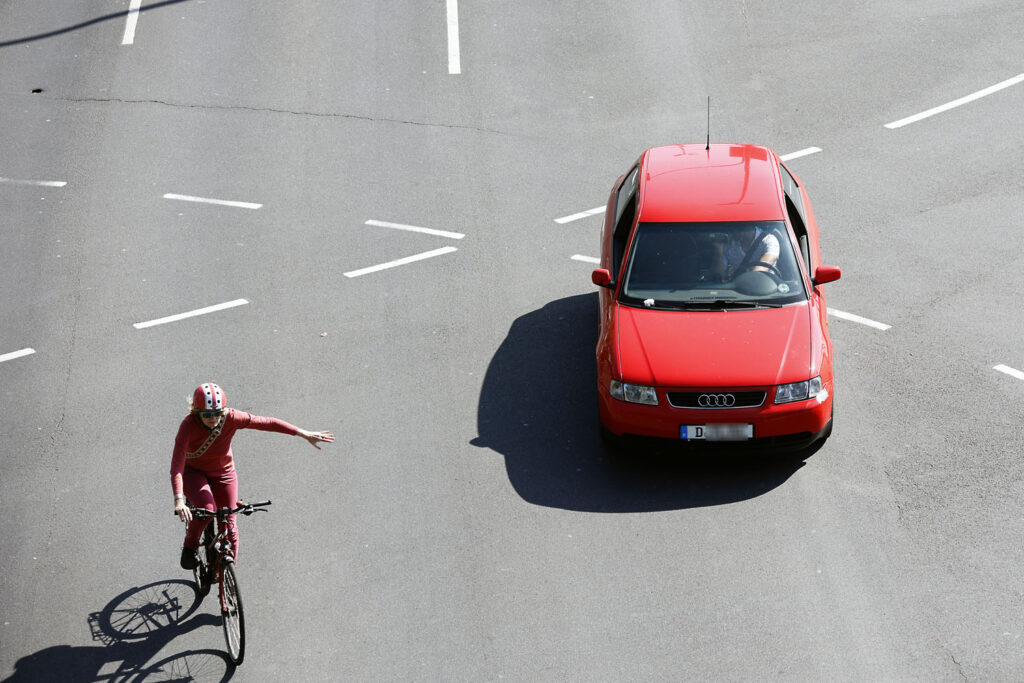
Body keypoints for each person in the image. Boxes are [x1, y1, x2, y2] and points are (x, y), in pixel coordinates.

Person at [171, 383, 334, 569]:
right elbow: (176, 466)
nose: (213, 418)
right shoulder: (188, 426)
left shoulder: (231, 417)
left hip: (223, 472)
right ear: (196, 411)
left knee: (231, 528)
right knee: (207, 509)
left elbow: (266, 423)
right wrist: (179, 501)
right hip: (194, 473)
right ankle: (189, 547)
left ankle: (227, 579)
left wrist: (303, 434)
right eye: (207, 414)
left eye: (218, 413)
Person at [709, 224, 780, 281]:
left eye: (732, 229)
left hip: (766, 285)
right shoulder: (729, 244)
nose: (729, 233)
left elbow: (764, 265)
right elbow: (717, 275)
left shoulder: (769, 240)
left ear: (744, 228)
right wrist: (719, 251)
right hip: (738, 290)